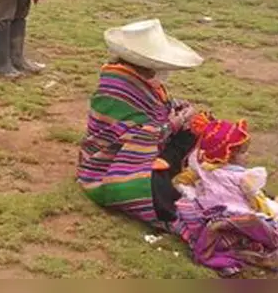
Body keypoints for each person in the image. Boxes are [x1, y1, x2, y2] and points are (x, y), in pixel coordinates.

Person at [78, 19, 202, 227]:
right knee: (146, 186)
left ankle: (183, 178)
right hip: (114, 160)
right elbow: (136, 136)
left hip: (149, 148)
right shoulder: (116, 88)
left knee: (198, 130)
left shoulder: (141, 81)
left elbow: (160, 109)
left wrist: (183, 113)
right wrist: (175, 122)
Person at [173, 114, 278, 276]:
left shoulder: (202, 169)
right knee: (272, 222)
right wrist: (269, 210)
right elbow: (255, 200)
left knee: (238, 230)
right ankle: (270, 247)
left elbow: (180, 181)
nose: (247, 156)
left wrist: (191, 194)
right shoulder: (245, 177)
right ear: (227, 155)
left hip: (213, 213)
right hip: (239, 215)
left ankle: (250, 251)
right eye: (243, 153)